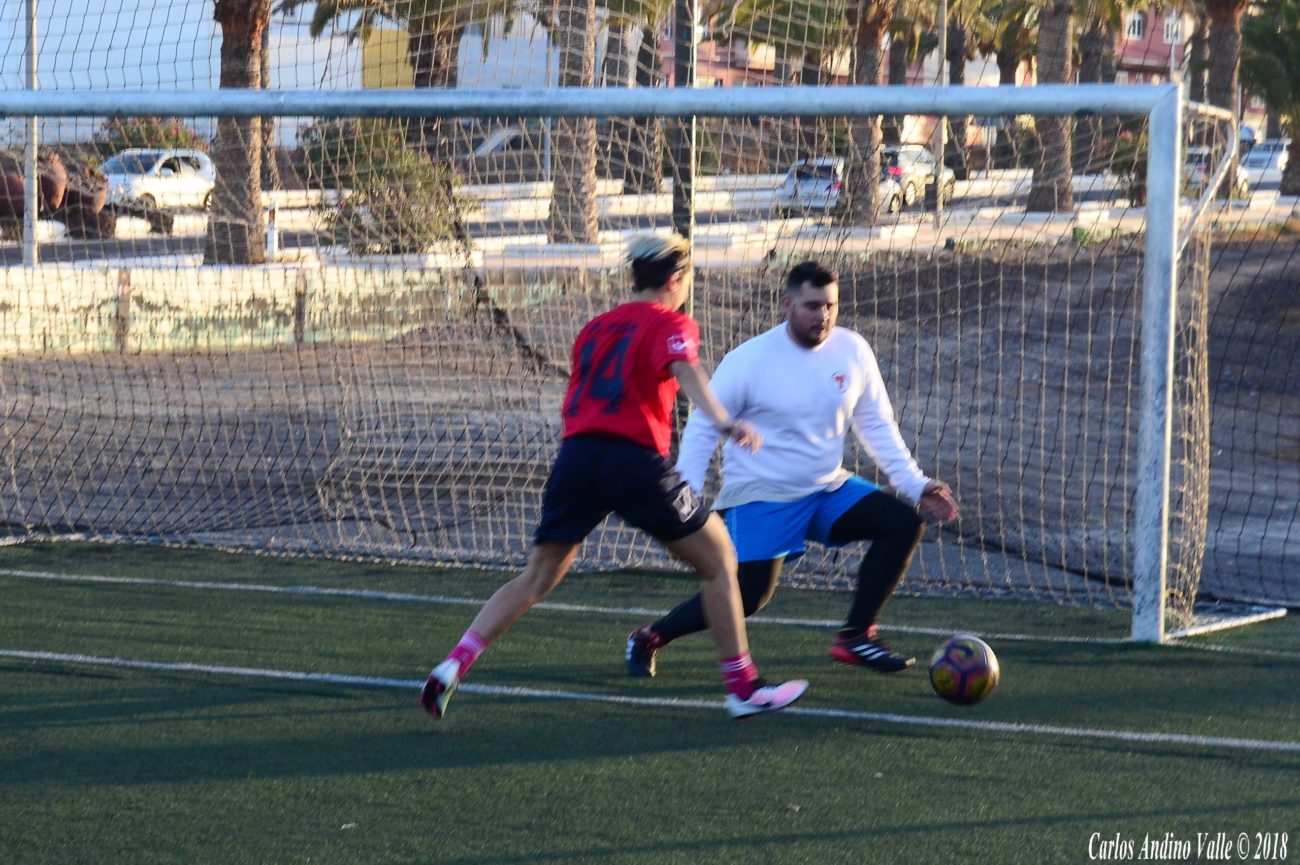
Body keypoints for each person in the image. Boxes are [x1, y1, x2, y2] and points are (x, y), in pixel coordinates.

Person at [421, 234, 809, 721]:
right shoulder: (672, 322)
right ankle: (743, 689)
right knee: (720, 561)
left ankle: (453, 664)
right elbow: (686, 371)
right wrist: (727, 421)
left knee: (537, 576)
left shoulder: (594, 327)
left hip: (576, 459)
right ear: (675, 279)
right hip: (632, 462)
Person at [625, 260, 959, 678]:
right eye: (812, 306)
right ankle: (651, 636)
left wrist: (914, 483)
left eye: (831, 306)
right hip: (759, 493)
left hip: (826, 489)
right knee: (749, 595)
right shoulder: (749, 360)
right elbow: (703, 426)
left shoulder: (853, 350)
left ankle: (856, 636)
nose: (823, 316)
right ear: (788, 304)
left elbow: (876, 424)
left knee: (902, 523)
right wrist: (686, 498)